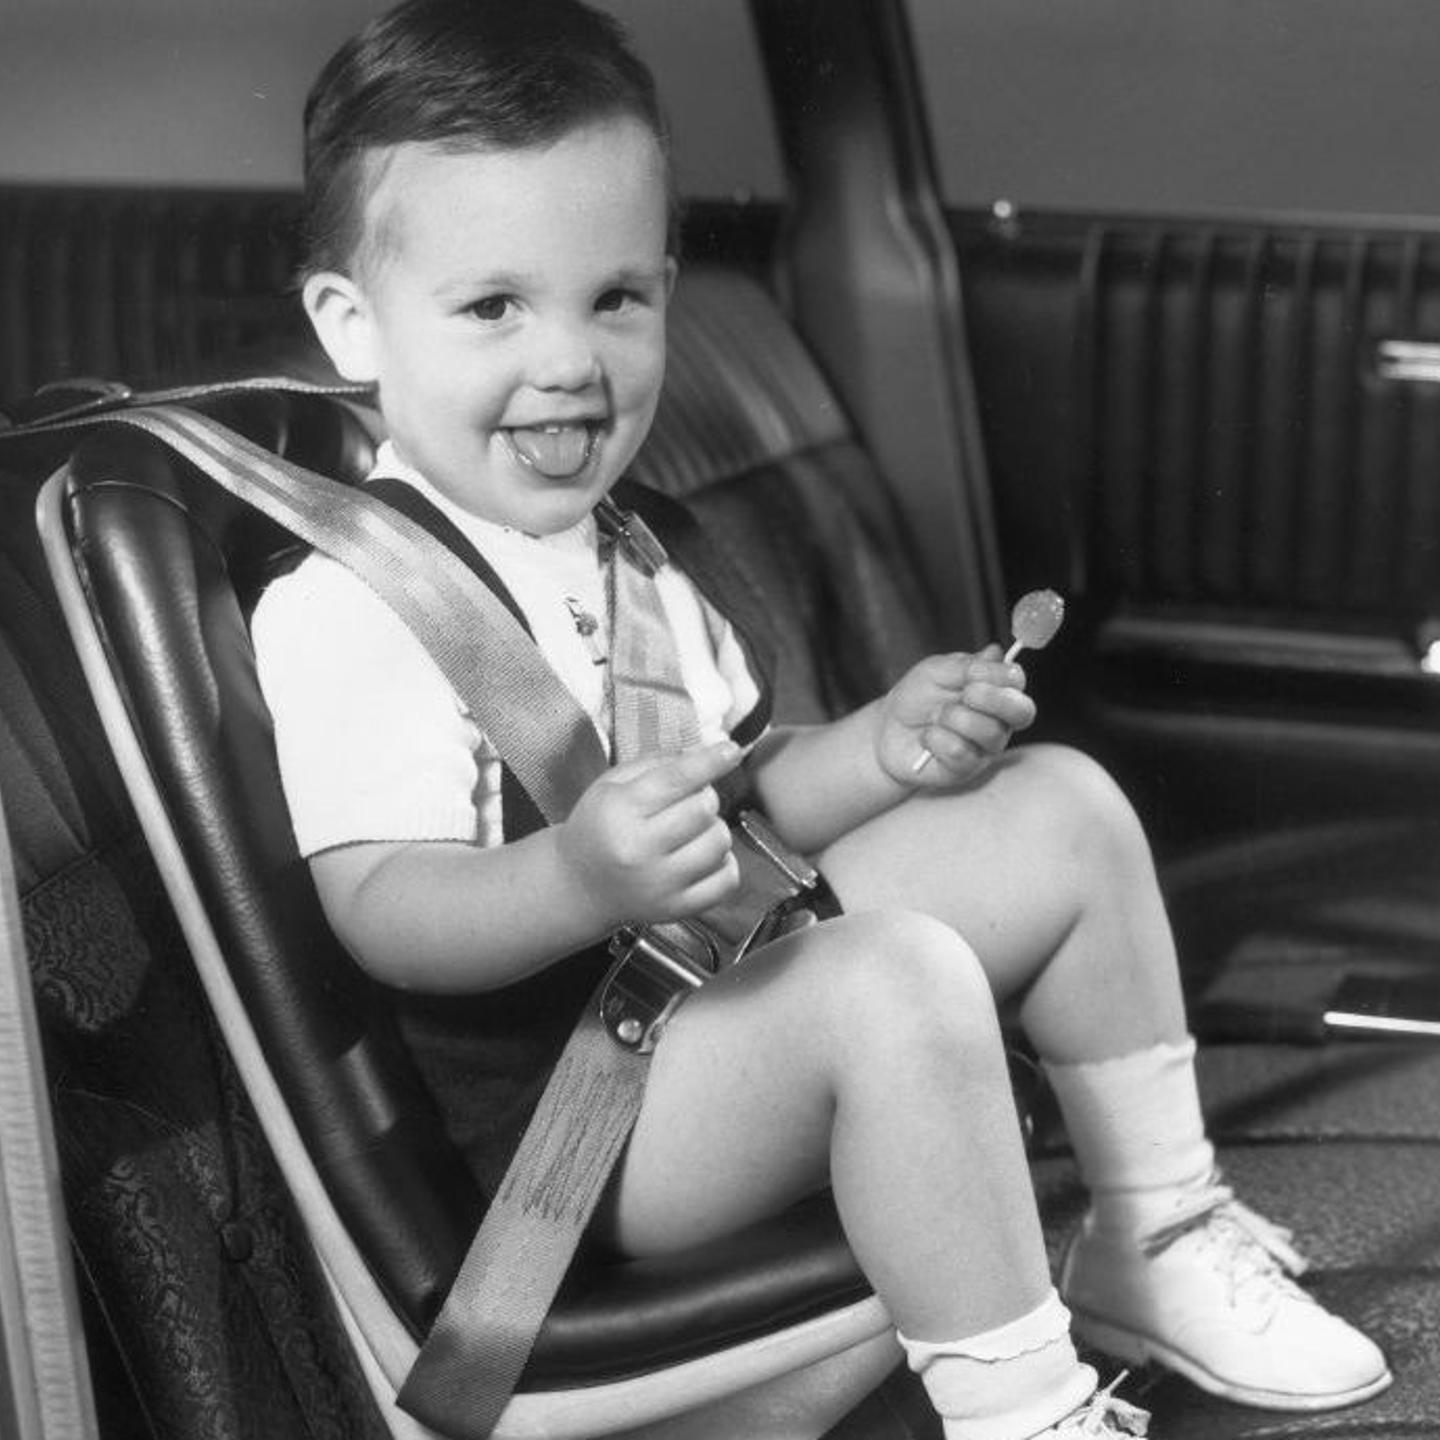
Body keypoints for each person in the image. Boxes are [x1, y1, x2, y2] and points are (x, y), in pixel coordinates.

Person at [249, 2, 1391, 1435]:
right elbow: (375, 905)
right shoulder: (356, 604)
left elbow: (747, 796)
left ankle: (1151, 1234)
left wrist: (883, 750)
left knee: (1061, 808)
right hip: (572, 1126)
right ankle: (1023, 1406)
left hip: (698, 993)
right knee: (891, 979)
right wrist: (576, 877)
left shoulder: (631, 547)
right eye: (494, 307)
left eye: (616, 298)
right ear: (352, 328)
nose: (570, 361)